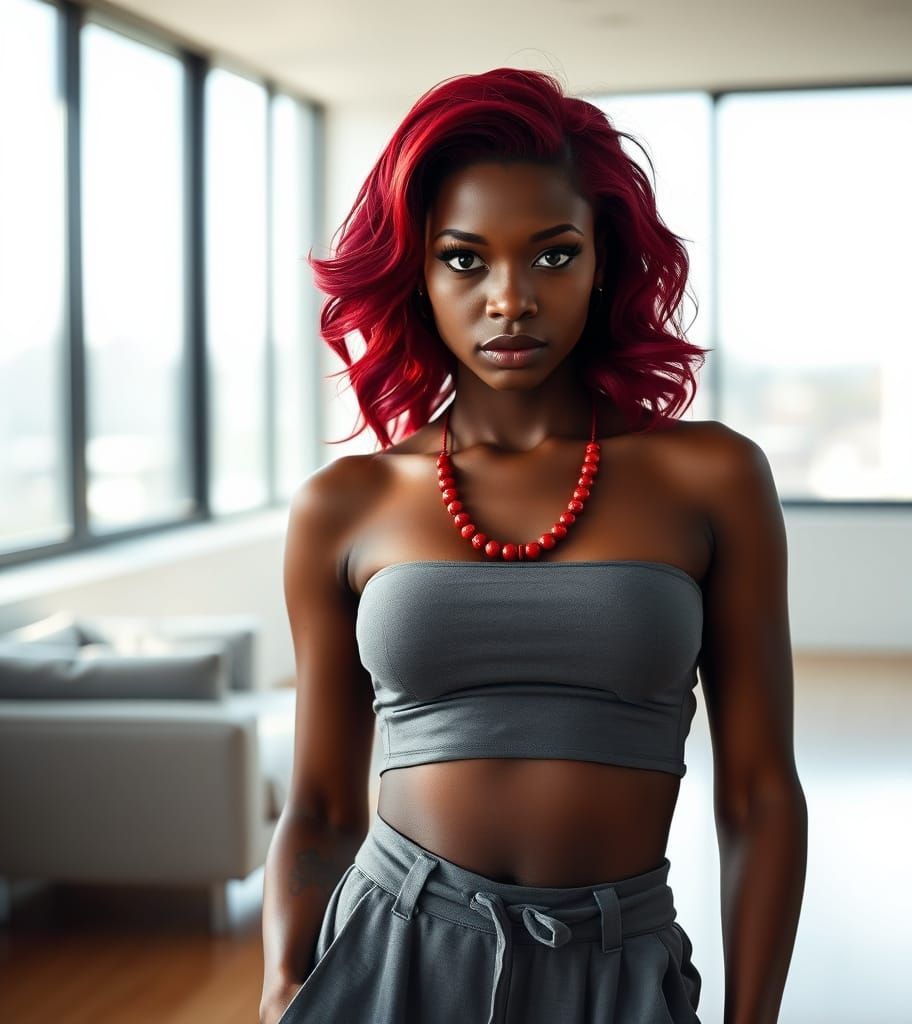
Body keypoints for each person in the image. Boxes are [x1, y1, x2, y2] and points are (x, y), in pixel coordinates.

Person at [259, 67, 807, 1024]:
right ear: (419, 276)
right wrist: (279, 986)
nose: (510, 299)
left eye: (552, 257)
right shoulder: (344, 504)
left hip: (616, 966)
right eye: (465, 260)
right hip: (386, 958)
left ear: (604, 265)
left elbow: (760, 797)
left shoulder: (711, 478)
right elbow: (320, 807)